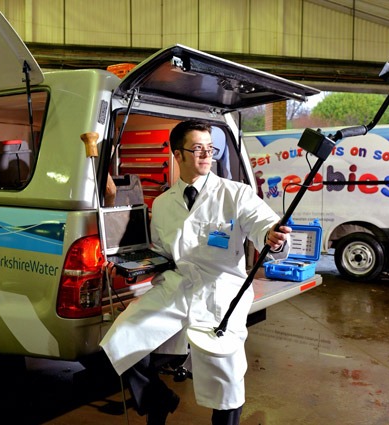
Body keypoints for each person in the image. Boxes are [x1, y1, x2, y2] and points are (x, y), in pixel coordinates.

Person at [100, 119, 291, 425]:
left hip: (221, 293)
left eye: (210, 148)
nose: (206, 155)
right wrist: (136, 265)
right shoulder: (162, 203)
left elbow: (263, 226)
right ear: (178, 155)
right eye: (197, 148)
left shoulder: (236, 194)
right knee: (121, 340)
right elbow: (163, 250)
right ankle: (158, 399)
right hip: (176, 287)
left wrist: (273, 237)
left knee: (226, 381)